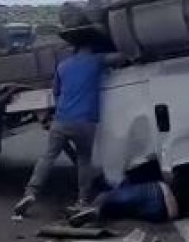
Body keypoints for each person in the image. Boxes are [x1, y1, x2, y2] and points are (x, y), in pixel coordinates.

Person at [13, 43, 125, 218]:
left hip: (62, 119)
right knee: (83, 160)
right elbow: (121, 57)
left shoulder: (63, 66)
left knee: (48, 156)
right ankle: (82, 201)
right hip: (85, 122)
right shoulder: (96, 60)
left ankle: (30, 193)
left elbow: (56, 92)